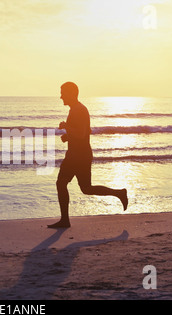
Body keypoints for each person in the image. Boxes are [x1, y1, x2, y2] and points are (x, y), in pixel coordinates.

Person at [48, 82, 128, 228]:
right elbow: (86, 131)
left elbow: (81, 133)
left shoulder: (79, 109)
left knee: (72, 185)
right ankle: (119, 194)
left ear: (71, 94)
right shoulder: (75, 109)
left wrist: (66, 127)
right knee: (79, 187)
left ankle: (65, 220)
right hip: (76, 155)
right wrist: (68, 136)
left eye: (63, 93)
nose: (61, 97)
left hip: (79, 156)